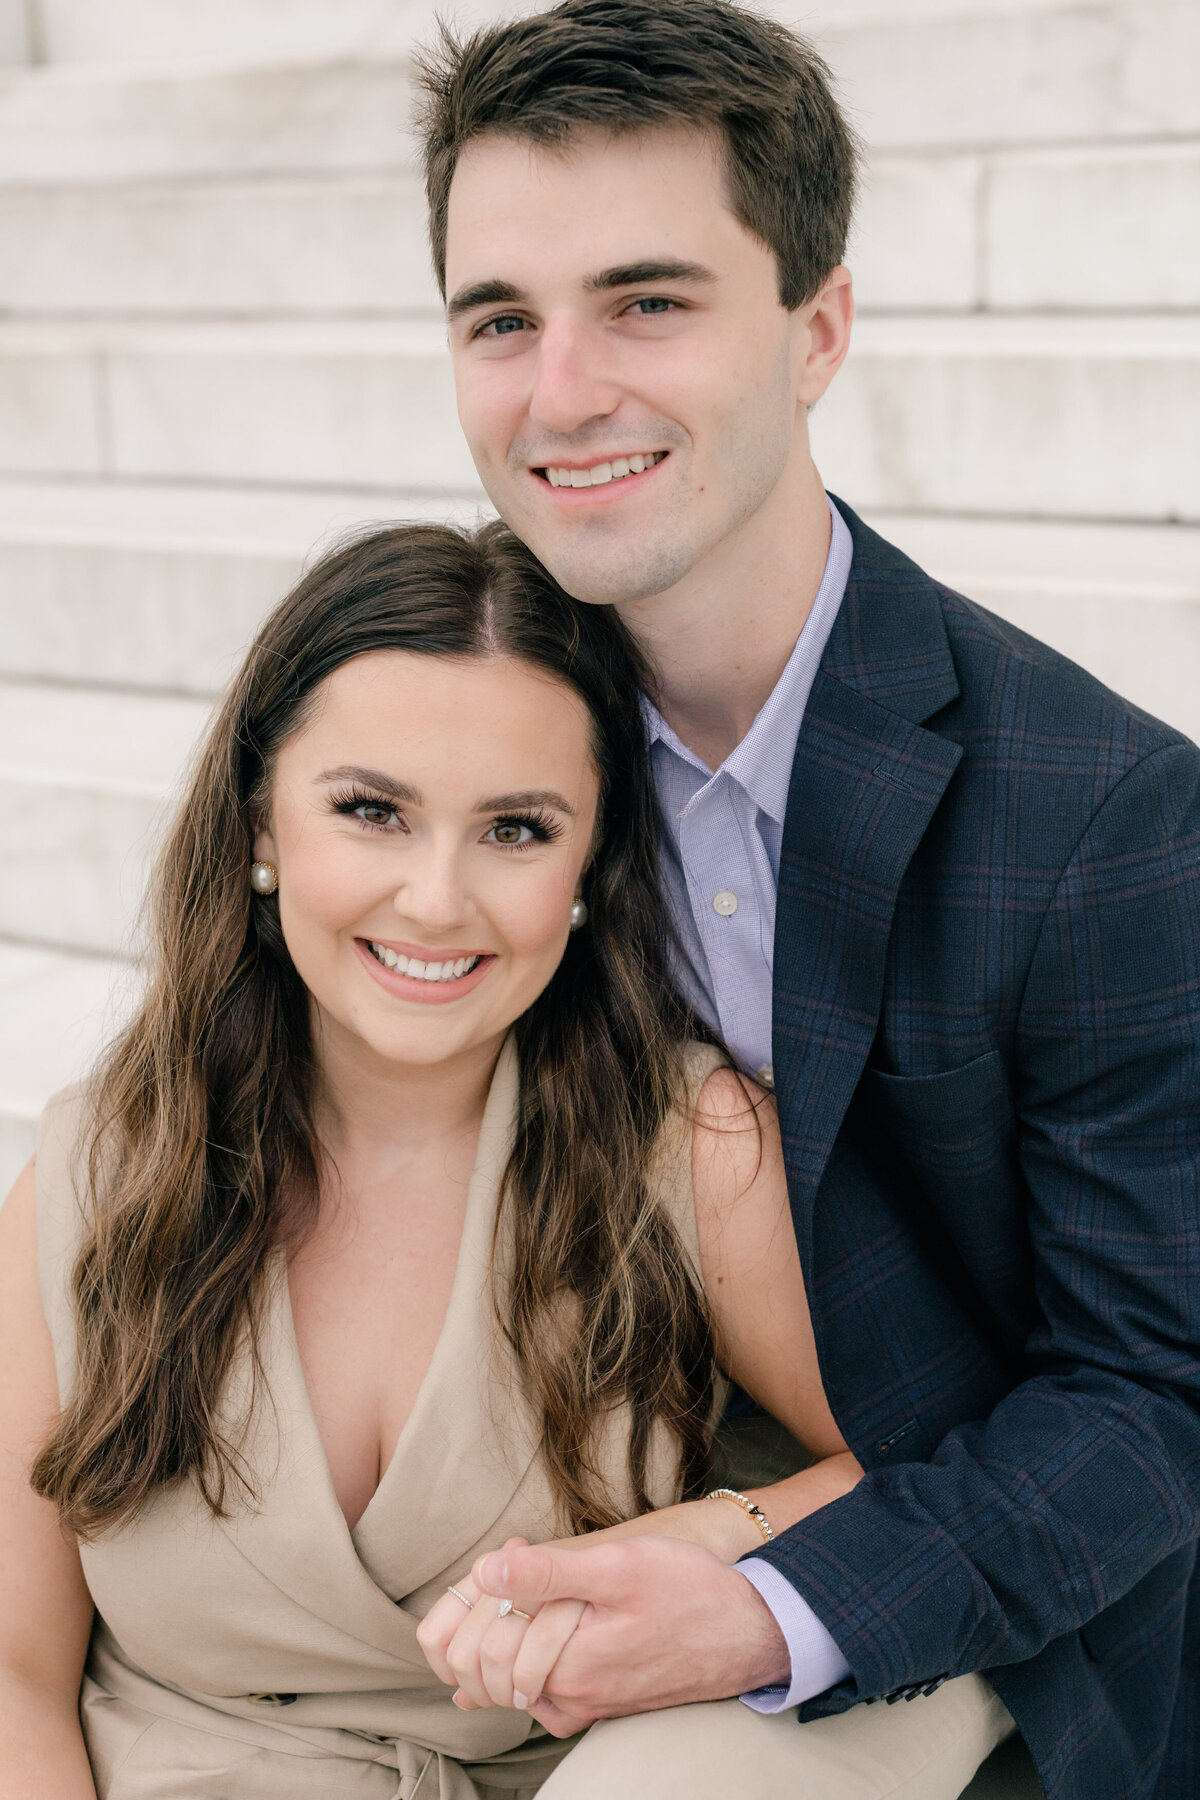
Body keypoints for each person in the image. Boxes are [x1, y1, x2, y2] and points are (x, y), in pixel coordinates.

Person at [413, 3, 1200, 1797]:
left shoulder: (1102, 815)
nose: (563, 393)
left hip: (941, 1547)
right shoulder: (472, 711)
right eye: (499, 321)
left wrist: (761, 1608)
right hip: (534, 1488)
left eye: (648, 302)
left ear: (818, 328)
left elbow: (1148, 1405)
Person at [0, 521, 1011, 1799]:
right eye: (372, 811)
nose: (436, 898)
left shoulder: (688, 1151)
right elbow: (14, 1678)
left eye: (516, 830)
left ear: (591, 866)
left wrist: (721, 1534)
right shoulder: (93, 1175)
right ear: (261, 824)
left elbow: (936, 1472)